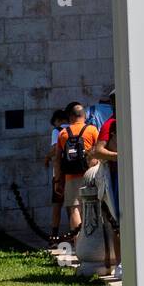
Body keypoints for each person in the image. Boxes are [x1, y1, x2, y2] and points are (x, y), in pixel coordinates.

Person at [54, 102, 99, 234]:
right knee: (91, 207)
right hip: (90, 175)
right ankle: (90, 238)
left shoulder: (63, 133)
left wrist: (57, 181)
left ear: (70, 117)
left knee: (74, 208)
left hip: (70, 177)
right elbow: (99, 151)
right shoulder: (92, 130)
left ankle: (77, 240)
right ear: (84, 116)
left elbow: (57, 160)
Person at [92, 89, 120, 274]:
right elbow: (98, 151)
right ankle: (121, 263)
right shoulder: (109, 124)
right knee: (120, 221)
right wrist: (119, 156)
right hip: (118, 177)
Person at [44, 109, 68, 240]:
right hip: (74, 173)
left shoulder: (57, 131)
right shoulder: (74, 129)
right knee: (73, 206)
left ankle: (54, 235)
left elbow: (55, 149)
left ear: (58, 120)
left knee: (57, 205)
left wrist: (46, 157)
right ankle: (75, 235)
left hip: (59, 173)